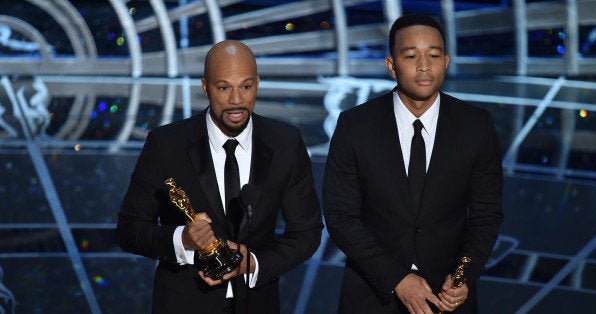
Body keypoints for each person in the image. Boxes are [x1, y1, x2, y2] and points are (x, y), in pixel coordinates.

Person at [116, 40, 323, 314]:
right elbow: (129, 229)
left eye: (246, 87)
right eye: (224, 87)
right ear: (205, 87)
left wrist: (253, 263)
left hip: (258, 303)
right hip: (183, 305)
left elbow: (307, 232)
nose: (236, 100)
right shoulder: (166, 145)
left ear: (257, 84)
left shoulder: (286, 142)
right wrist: (182, 240)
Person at [323, 14, 504, 314]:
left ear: (446, 61)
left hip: (447, 299)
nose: (424, 65)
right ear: (391, 65)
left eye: (433, 55)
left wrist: (463, 275)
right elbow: (341, 217)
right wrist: (397, 279)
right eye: (411, 56)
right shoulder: (355, 126)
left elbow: (487, 215)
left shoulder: (476, 126)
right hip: (371, 297)